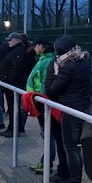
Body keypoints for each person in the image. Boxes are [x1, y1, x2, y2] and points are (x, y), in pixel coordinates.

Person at [45, 35, 92, 183]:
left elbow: (52, 90)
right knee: (76, 148)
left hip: (71, 110)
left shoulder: (68, 67)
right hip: (82, 107)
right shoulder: (83, 62)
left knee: (71, 149)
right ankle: (75, 181)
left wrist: (55, 72)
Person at [26, 36, 65, 175]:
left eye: (36, 46)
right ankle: (46, 161)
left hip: (43, 102)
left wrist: (41, 99)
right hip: (39, 101)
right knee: (47, 134)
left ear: (41, 46)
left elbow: (44, 82)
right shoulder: (44, 60)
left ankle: (46, 163)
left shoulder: (47, 61)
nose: (34, 48)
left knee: (48, 134)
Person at [0, 32, 36, 138]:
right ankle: (11, 127)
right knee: (12, 107)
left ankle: (14, 128)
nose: (8, 42)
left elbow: (16, 68)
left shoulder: (19, 52)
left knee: (14, 107)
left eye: (10, 40)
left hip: (14, 85)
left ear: (15, 40)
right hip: (11, 84)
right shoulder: (16, 51)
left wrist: (9, 80)